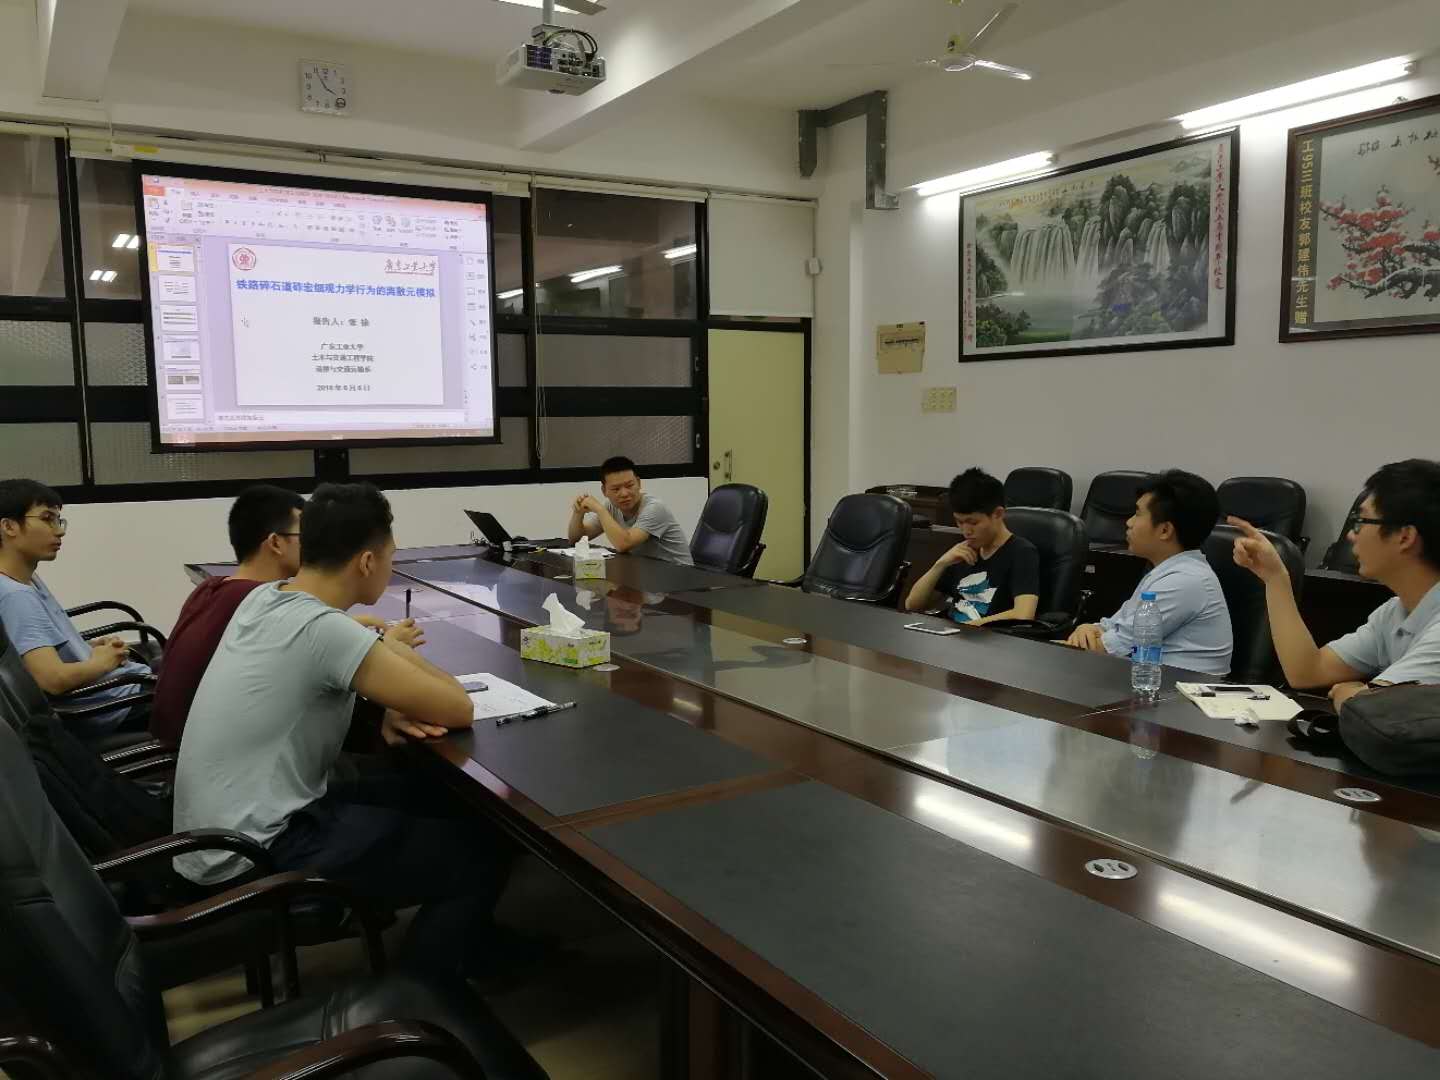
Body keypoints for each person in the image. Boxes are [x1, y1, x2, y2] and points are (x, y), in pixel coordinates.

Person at [172, 482, 512, 978]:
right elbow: (458, 707)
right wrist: (395, 653)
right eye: (392, 555)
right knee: (478, 853)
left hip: (216, 834)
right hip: (258, 850)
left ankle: (473, 945)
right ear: (368, 562)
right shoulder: (325, 632)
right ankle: (422, 995)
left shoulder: (264, 598)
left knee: (435, 796)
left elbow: (309, 680)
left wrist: (382, 679)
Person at [150, 485, 421, 745]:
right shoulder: (255, 603)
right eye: (305, 535)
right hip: (187, 753)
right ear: (276, 543)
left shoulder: (216, 588)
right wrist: (385, 646)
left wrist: (350, 626)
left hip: (176, 742)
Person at [1232, 459, 1440, 710]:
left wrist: (1350, 694)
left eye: (1361, 521)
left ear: (1405, 537)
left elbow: (1375, 710)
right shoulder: (1395, 611)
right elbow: (1307, 671)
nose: (1351, 534)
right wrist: (1275, 577)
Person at [0, 478, 151, 736]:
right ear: (9, 526)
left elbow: (31, 652)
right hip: (114, 706)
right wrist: (103, 662)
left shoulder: (26, 579)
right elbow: (52, 679)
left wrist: (89, 648)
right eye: (47, 519)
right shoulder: (16, 596)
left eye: (58, 520)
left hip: (119, 690)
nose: (59, 531)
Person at [1065, 470, 1233, 675]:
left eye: (1137, 514)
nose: (1128, 522)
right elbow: (1114, 627)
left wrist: (1087, 637)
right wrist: (1086, 628)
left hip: (1178, 690)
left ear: (1165, 530)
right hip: (1148, 681)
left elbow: (1109, 648)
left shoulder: (1184, 581)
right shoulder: (1166, 572)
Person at [905, 468, 1040, 626]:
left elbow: (1023, 614)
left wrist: (968, 628)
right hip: (954, 634)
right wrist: (940, 564)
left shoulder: (1022, 553)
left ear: (998, 514)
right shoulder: (963, 551)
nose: (966, 531)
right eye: (959, 522)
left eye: (973, 522)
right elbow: (912, 605)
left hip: (990, 637)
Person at [567, 455, 693, 565]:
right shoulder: (610, 507)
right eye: (616, 489)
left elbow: (624, 544)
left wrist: (599, 509)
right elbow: (576, 539)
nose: (624, 493)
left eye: (629, 485)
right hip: (647, 573)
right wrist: (578, 513)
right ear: (604, 491)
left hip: (679, 576)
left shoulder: (655, 508)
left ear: (638, 483)